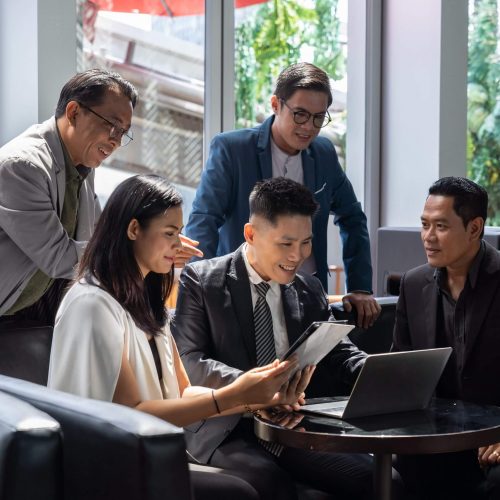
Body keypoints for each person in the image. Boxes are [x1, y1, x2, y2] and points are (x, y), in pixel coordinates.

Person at [48, 174, 313, 500]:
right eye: (170, 233)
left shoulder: (146, 304)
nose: (180, 244)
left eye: (181, 232)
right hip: (110, 470)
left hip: (150, 457)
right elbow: (133, 414)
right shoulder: (92, 305)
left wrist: (257, 397)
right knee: (243, 493)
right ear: (133, 230)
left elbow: (182, 393)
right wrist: (233, 397)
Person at [173, 177, 403, 500]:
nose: (298, 255)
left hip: (292, 427)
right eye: (286, 244)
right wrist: (261, 388)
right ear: (251, 234)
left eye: (306, 243)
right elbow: (189, 362)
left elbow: (336, 351)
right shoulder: (202, 281)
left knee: (385, 480)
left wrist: (378, 371)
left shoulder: (309, 288)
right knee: (272, 485)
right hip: (229, 428)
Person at [0, 68, 203, 326]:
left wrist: (156, 240)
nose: (116, 140)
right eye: (111, 125)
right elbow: (58, 256)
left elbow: (99, 236)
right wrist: (142, 247)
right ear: (74, 112)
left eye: (123, 132)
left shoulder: (83, 165)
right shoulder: (22, 166)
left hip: (36, 315)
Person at [185, 62, 380, 328]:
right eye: (300, 114)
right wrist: (200, 291)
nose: (309, 127)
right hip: (242, 294)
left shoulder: (323, 153)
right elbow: (205, 219)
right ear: (276, 104)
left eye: (318, 118)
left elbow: (353, 218)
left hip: (307, 299)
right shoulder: (233, 149)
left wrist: (360, 287)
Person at [392, 176, 500, 499]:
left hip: (493, 440)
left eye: (440, 226)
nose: (428, 237)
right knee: (392, 476)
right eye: (424, 225)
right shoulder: (413, 284)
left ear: (474, 228)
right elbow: (401, 372)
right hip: (435, 441)